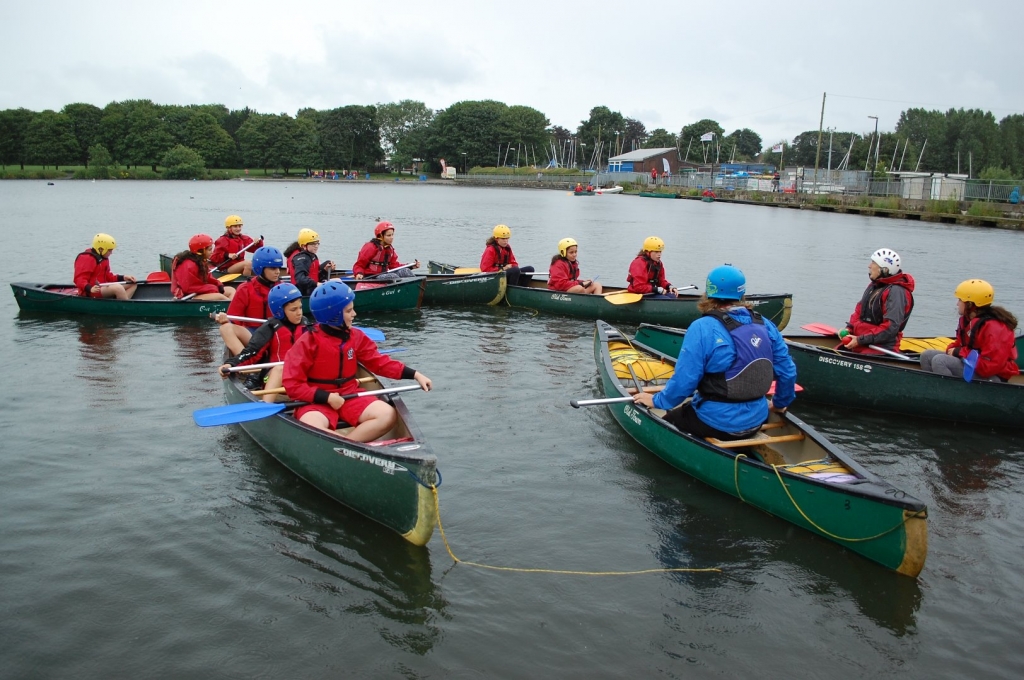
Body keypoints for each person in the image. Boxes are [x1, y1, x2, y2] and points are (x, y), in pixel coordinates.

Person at [633, 265, 797, 440]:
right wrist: (780, 404)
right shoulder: (766, 325)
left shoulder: (702, 327)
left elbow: (686, 380)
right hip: (757, 419)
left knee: (668, 421)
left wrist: (657, 401)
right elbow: (788, 372)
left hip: (715, 422)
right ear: (742, 294)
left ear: (709, 293)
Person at [283, 281, 433, 442]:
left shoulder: (356, 336)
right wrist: (326, 397)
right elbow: (293, 384)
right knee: (311, 425)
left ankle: (347, 446)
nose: (354, 314)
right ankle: (346, 447)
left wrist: (415, 374)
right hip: (315, 399)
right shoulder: (307, 342)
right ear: (333, 315)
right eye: (349, 311)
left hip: (350, 394)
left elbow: (380, 363)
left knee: (388, 415)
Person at [219, 283, 313, 400]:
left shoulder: (306, 325)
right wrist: (231, 364)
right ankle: (267, 405)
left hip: (301, 376)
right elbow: (251, 352)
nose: (299, 312)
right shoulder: (270, 328)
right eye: (293, 309)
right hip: (274, 377)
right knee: (280, 369)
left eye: (300, 307)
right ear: (280, 311)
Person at [920, 279, 1020, 382]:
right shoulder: (967, 320)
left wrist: (960, 353)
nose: (957, 304)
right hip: (972, 364)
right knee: (926, 356)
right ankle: (935, 389)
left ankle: (952, 395)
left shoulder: (995, 328)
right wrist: (954, 350)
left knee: (940, 361)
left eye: (960, 300)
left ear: (970, 304)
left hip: (992, 376)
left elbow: (988, 368)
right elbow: (960, 344)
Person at [839, 248, 915, 355]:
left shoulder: (896, 292)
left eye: (873, 263)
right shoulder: (874, 286)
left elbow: (890, 328)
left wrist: (860, 340)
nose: (869, 266)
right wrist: (849, 328)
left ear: (884, 269)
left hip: (880, 348)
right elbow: (859, 311)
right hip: (860, 342)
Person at [215, 246, 285, 355]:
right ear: (260, 268)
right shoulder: (245, 289)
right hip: (253, 335)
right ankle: (243, 360)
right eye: (272, 268)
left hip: (276, 334)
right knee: (226, 328)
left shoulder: (284, 289)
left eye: (278, 268)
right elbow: (233, 319)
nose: (277, 272)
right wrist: (225, 320)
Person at [171, 234, 235, 300]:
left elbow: (208, 277)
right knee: (220, 297)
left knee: (231, 290)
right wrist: (212, 288)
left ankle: (230, 307)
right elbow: (188, 288)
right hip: (188, 296)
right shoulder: (188, 265)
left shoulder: (200, 261)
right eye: (210, 250)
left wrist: (218, 284)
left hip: (199, 292)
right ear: (201, 251)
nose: (212, 252)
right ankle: (230, 308)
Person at [73, 233, 137, 299]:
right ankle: (125, 307)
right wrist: (89, 288)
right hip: (92, 290)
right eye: (109, 250)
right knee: (118, 288)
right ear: (101, 249)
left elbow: (108, 276)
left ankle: (121, 303)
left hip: (103, 287)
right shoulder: (87, 258)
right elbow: (79, 279)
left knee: (133, 284)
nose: (111, 253)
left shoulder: (104, 258)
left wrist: (123, 277)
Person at [352, 221, 419, 280]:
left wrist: (411, 266)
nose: (392, 237)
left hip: (384, 275)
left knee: (406, 271)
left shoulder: (389, 249)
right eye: (388, 235)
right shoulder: (370, 247)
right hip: (372, 277)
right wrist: (359, 273)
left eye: (392, 235)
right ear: (381, 236)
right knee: (393, 277)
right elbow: (359, 265)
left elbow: (394, 265)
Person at [284, 228, 334, 296]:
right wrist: (317, 284)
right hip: (305, 293)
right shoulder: (302, 258)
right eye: (313, 244)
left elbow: (314, 275)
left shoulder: (310, 256)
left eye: (317, 243)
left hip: (311, 291)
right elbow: (300, 279)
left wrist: (324, 270)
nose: (316, 246)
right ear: (304, 246)